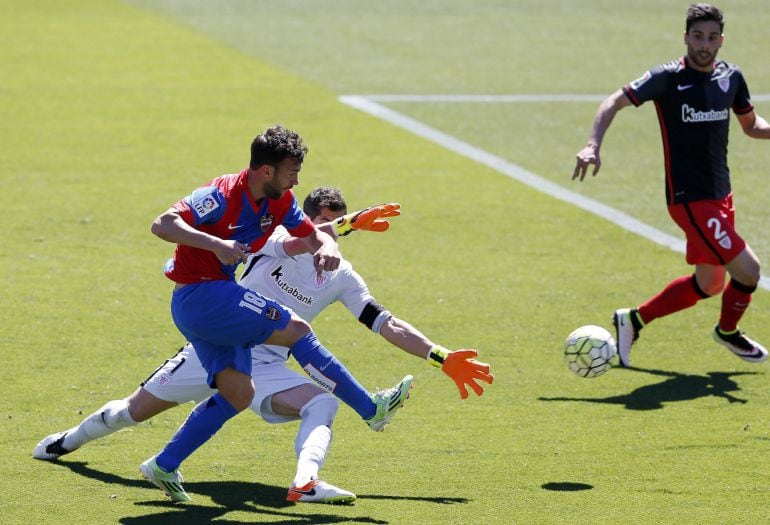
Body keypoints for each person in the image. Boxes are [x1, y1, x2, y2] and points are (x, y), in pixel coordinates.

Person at [33, 187, 494, 504]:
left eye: (335, 226)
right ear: (306, 223)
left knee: (321, 405)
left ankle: (306, 481)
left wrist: (440, 355)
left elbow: (383, 322)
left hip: (268, 363)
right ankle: (66, 443)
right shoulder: (275, 237)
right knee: (130, 413)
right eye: (322, 226)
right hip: (213, 343)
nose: (327, 236)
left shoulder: (342, 276)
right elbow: (289, 241)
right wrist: (349, 224)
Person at [138, 126, 415, 502]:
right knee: (296, 327)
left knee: (239, 393)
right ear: (266, 171)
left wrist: (325, 246)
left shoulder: (282, 201)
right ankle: (371, 408)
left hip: (212, 304)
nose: (297, 180)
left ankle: (164, 465)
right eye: (291, 172)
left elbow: (310, 233)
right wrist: (216, 243)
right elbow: (162, 224)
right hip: (201, 295)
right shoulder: (220, 195)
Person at [572, 3, 769, 367]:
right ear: (685, 37)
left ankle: (633, 319)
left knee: (710, 283)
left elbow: (752, 125)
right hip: (689, 200)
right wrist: (592, 144)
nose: (704, 45)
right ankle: (727, 332)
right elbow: (614, 101)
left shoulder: (731, 78)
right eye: (697, 36)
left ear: (721, 40)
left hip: (721, 195)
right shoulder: (667, 78)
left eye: (711, 37)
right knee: (749, 271)